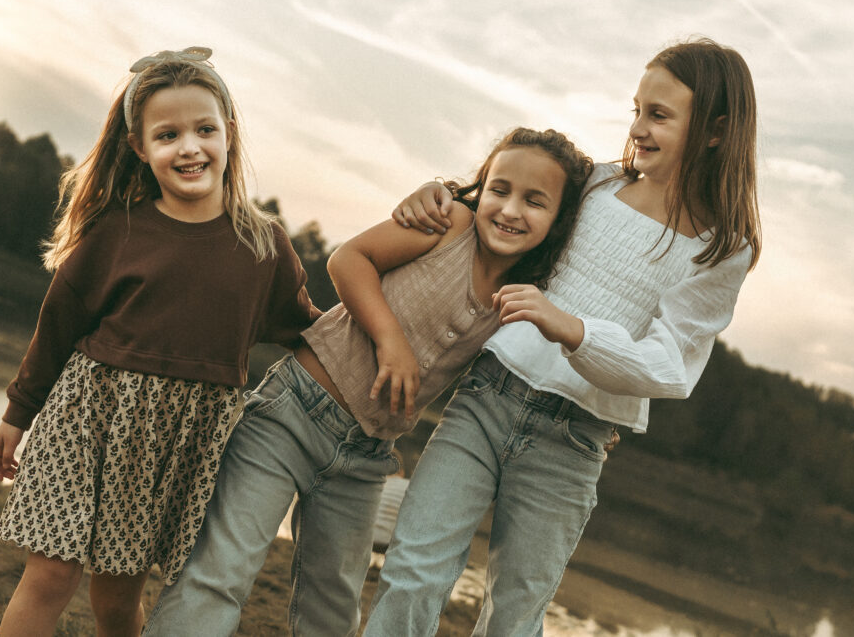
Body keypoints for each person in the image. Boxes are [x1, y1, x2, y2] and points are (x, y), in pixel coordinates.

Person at [363, 37, 762, 636]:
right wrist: (438, 193)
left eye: (659, 115)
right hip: (487, 400)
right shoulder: (595, 184)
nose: (639, 128)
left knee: (516, 611)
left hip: (573, 441)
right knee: (416, 570)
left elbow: (669, 368)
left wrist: (572, 329)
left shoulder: (722, 250)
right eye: (637, 110)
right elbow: (499, 210)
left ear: (715, 131)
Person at [142, 128, 594, 637]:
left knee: (333, 608)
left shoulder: (524, 296)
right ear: (480, 188)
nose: (511, 210)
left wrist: (604, 407)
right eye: (500, 189)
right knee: (221, 573)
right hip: (289, 414)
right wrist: (389, 339)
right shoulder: (450, 223)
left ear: (558, 222)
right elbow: (348, 259)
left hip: (364, 459)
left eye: (535, 201)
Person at [0, 47, 319, 637]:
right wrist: (18, 412)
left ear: (230, 132)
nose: (189, 147)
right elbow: (57, 325)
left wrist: (388, 348)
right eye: (168, 135)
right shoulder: (118, 229)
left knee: (116, 599)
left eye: (204, 130)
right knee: (49, 579)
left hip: (177, 441)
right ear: (140, 148)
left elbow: (311, 333)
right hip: (86, 417)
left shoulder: (264, 246)